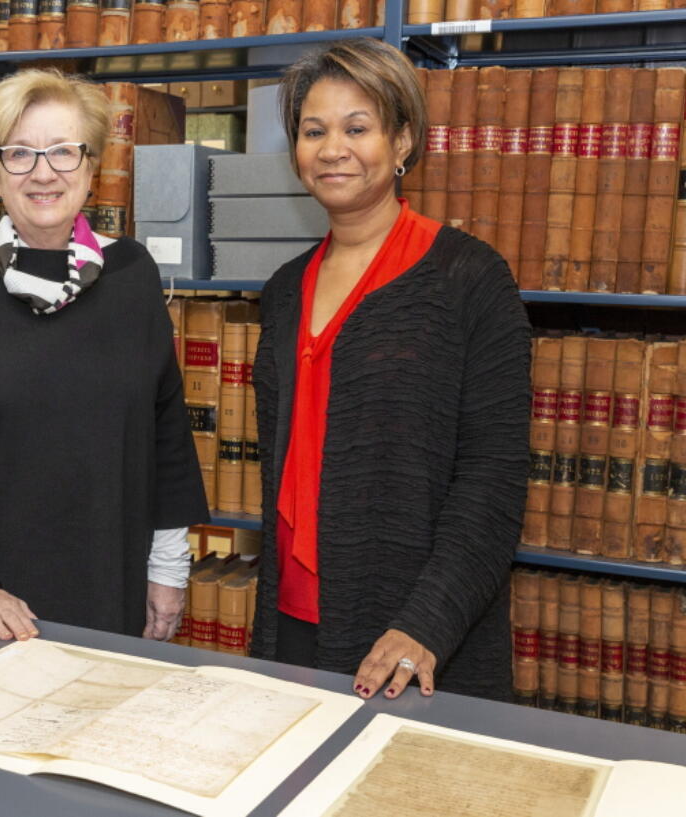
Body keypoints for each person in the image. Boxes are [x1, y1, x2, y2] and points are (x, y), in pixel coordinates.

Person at [249, 39, 531, 703]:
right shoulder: (283, 289)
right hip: (290, 618)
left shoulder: (470, 278)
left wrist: (425, 623)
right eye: (313, 131)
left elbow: (493, 478)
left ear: (402, 140)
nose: (332, 148)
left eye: (358, 127)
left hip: (417, 635)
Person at [0, 69, 208, 644]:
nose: (43, 172)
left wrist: (166, 570)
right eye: (20, 153)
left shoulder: (132, 276)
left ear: (92, 168)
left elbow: (167, 435)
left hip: (110, 585)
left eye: (63, 151)